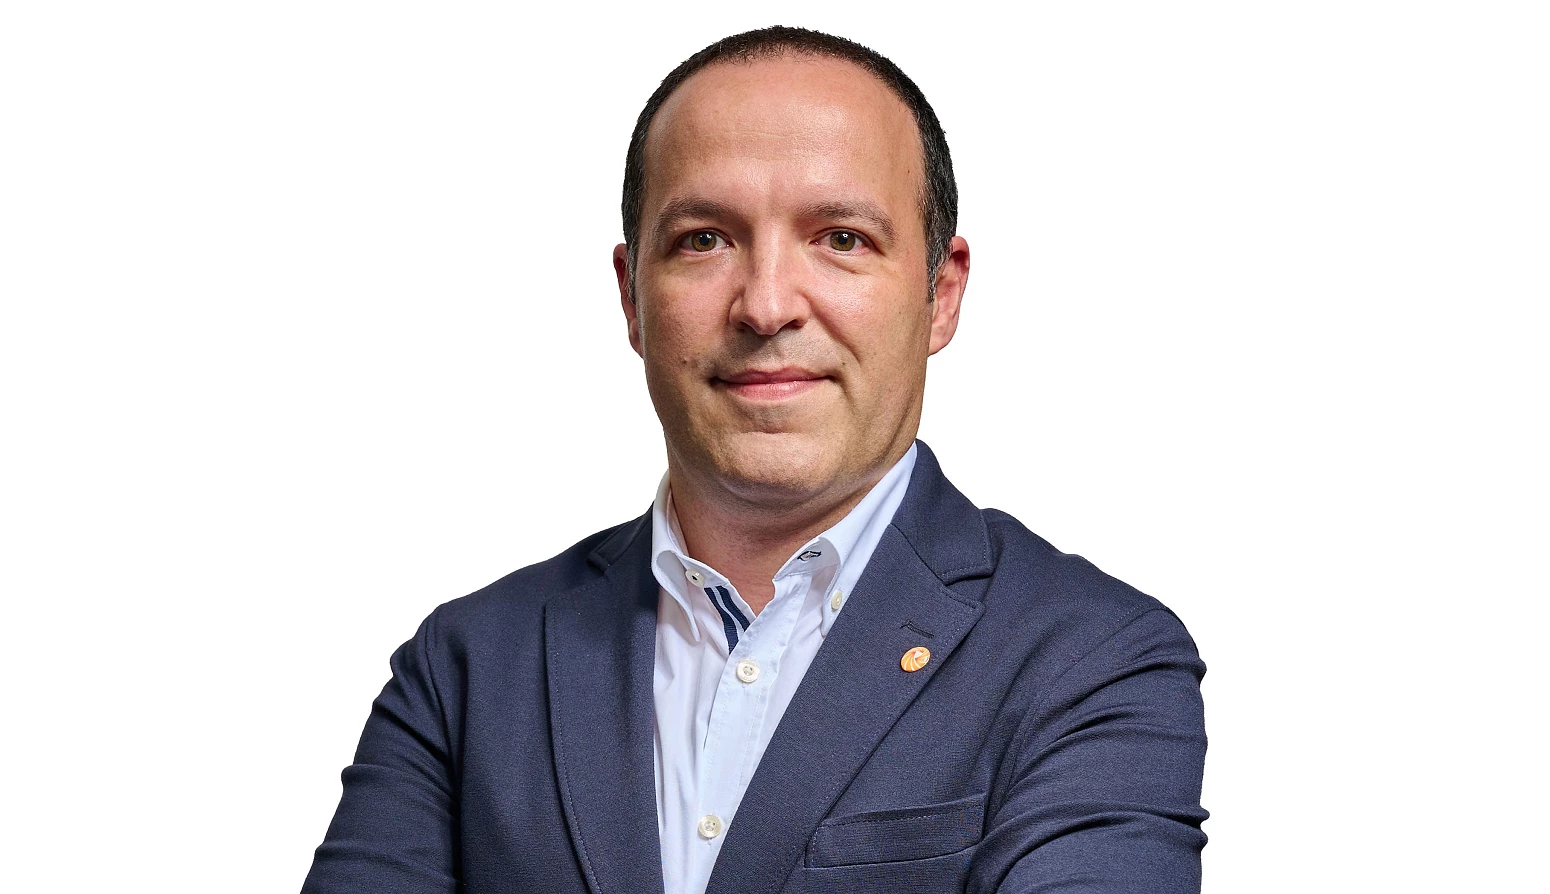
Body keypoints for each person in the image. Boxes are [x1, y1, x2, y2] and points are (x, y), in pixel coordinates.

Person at [303, 26, 1207, 894]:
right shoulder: (468, 668)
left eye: (842, 238)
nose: (767, 305)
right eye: (705, 239)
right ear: (632, 298)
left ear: (940, 295)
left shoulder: (1094, 658)